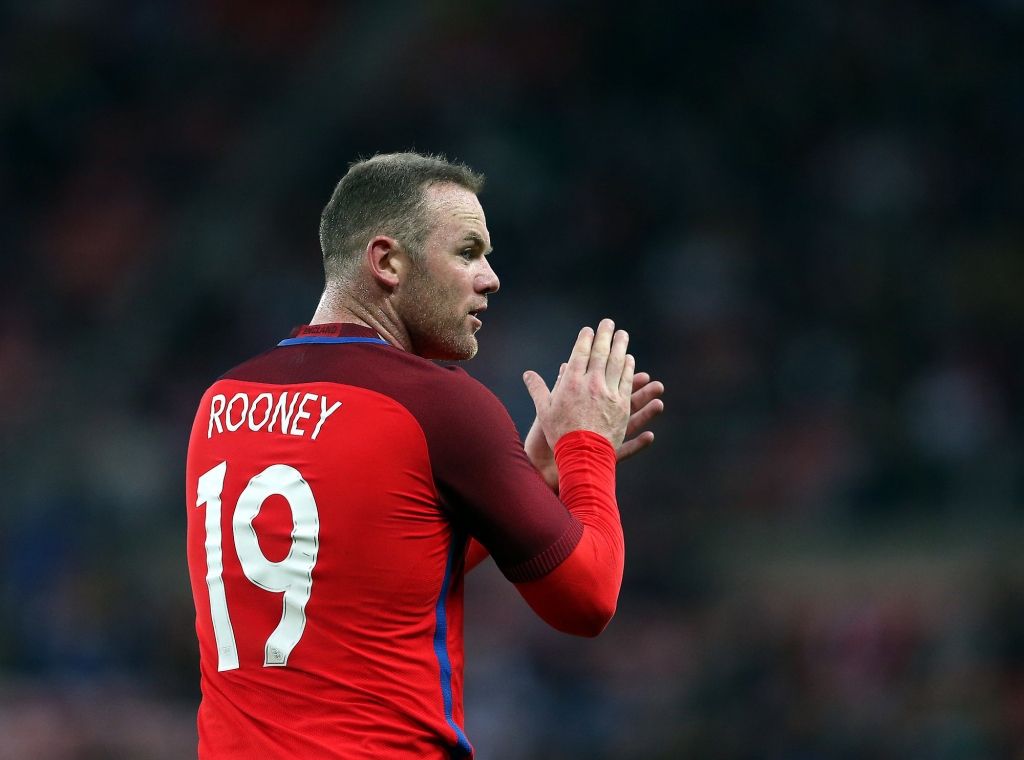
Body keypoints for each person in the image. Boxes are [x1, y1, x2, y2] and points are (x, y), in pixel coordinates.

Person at [185, 152, 665, 759]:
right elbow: (587, 600)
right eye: (468, 253)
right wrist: (586, 444)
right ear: (387, 261)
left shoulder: (221, 402)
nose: (490, 277)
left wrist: (529, 483)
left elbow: (364, 583)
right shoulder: (438, 405)